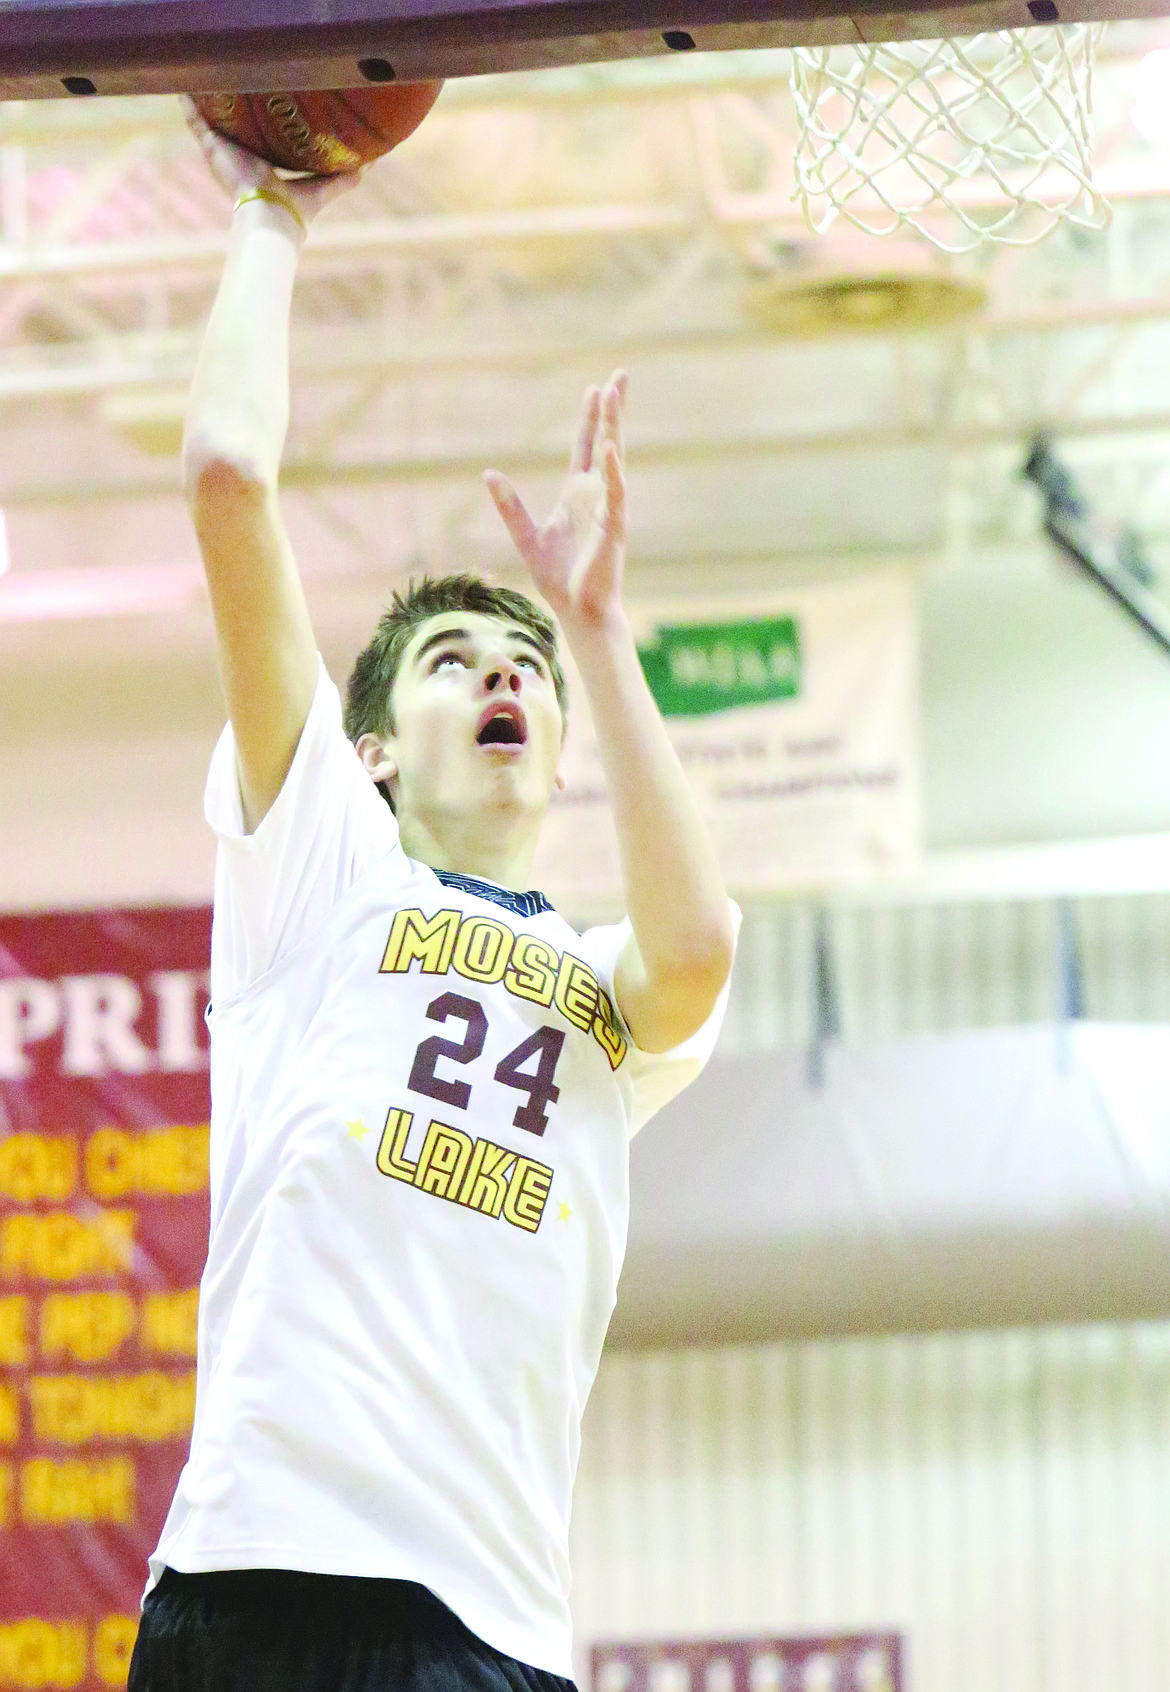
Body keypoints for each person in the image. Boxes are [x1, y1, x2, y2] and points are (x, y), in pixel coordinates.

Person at [129, 103, 738, 1692]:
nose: (506, 681)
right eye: (460, 663)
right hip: (256, 1575)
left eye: (524, 668)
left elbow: (699, 945)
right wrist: (274, 211)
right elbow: (223, 473)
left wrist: (595, 627)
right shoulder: (318, 867)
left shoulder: (604, 992)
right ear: (374, 751)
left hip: (486, 1623)